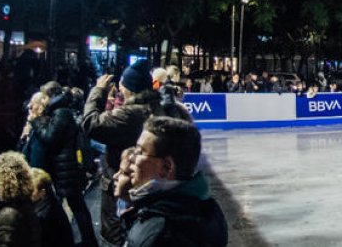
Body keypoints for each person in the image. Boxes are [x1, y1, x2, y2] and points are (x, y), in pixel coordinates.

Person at [82, 59, 184, 246]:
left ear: (131, 88)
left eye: (123, 83)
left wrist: (98, 91)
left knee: (116, 231)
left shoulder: (130, 113)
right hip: (141, 184)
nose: (120, 86)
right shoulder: (154, 107)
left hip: (121, 184)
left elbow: (90, 123)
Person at [124, 116, 228, 246]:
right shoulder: (211, 209)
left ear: (167, 167)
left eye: (140, 152)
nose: (131, 158)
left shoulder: (160, 233)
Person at [32, 87, 97, 247]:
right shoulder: (59, 111)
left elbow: (50, 137)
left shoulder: (61, 113)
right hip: (64, 167)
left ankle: (88, 241)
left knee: (76, 206)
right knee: (73, 206)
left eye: (44, 96)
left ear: (50, 96)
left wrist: (36, 122)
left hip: (67, 168)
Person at [30, 168, 75, 247]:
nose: (27, 191)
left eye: (31, 190)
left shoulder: (44, 215)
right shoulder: (51, 203)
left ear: (42, 193)